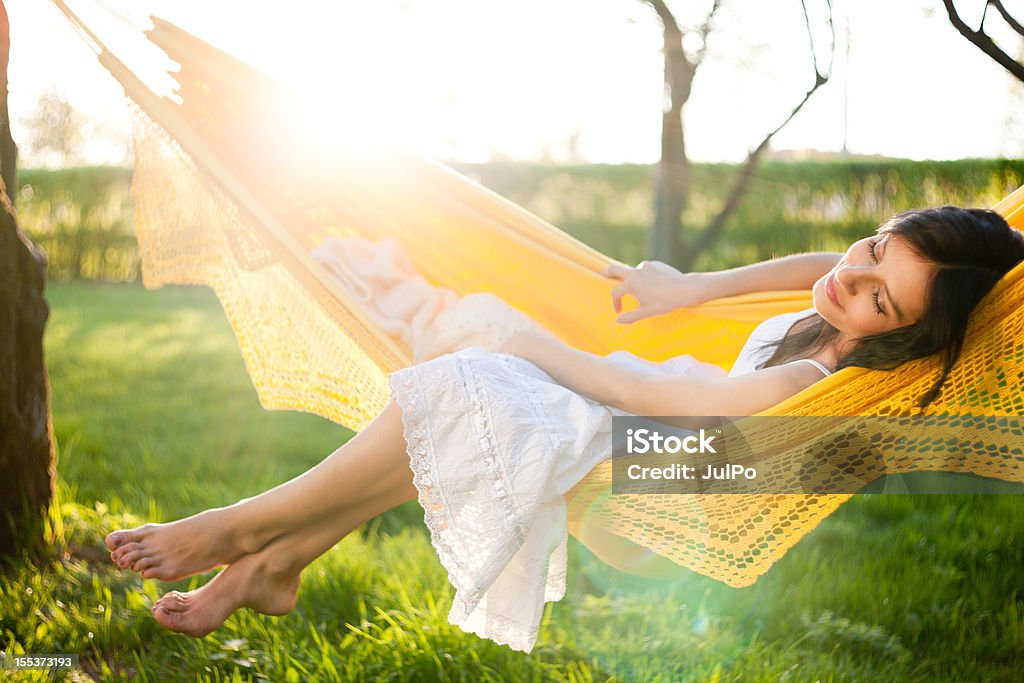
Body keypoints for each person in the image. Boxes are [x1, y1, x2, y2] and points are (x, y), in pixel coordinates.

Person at [104, 206, 1024, 653]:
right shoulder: (842, 292)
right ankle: (272, 564)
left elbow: (669, 406)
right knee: (470, 396)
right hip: (642, 425)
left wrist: (539, 347)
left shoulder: (810, 382)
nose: (848, 278)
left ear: (907, 331)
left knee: (480, 376)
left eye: (877, 295)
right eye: (870, 248)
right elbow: (814, 261)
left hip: (674, 478)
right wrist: (692, 288)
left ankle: (240, 526)